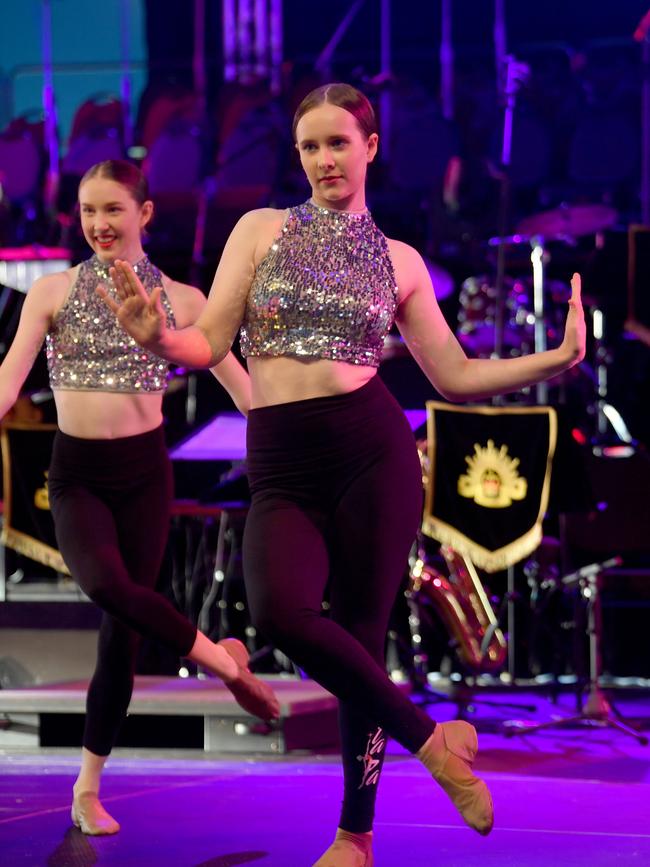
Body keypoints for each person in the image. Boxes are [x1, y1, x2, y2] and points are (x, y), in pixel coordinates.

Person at [102, 85, 586, 867]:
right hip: (284, 460)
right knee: (278, 611)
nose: (325, 159)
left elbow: (455, 374)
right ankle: (433, 743)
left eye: (338, 143)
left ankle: (354, 837)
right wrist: (158, 335)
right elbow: (209, 342)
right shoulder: (259, 231)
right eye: (310, 147)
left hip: (371, 455)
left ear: (370, 146)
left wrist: (556, 360)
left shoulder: (400, 262)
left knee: (361, 636)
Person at [0, 159, 279, 838]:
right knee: (108, 586)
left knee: (121, 638)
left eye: (113, 210)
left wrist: (295, 439)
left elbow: (244, 388)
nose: (98, 223)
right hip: (77, 475)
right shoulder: (52, 293)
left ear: (144, 214)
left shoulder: (182, 300)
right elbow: (6, 385)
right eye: (88, 211)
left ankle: (87, 788)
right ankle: (223, 661)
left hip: (144, 477)